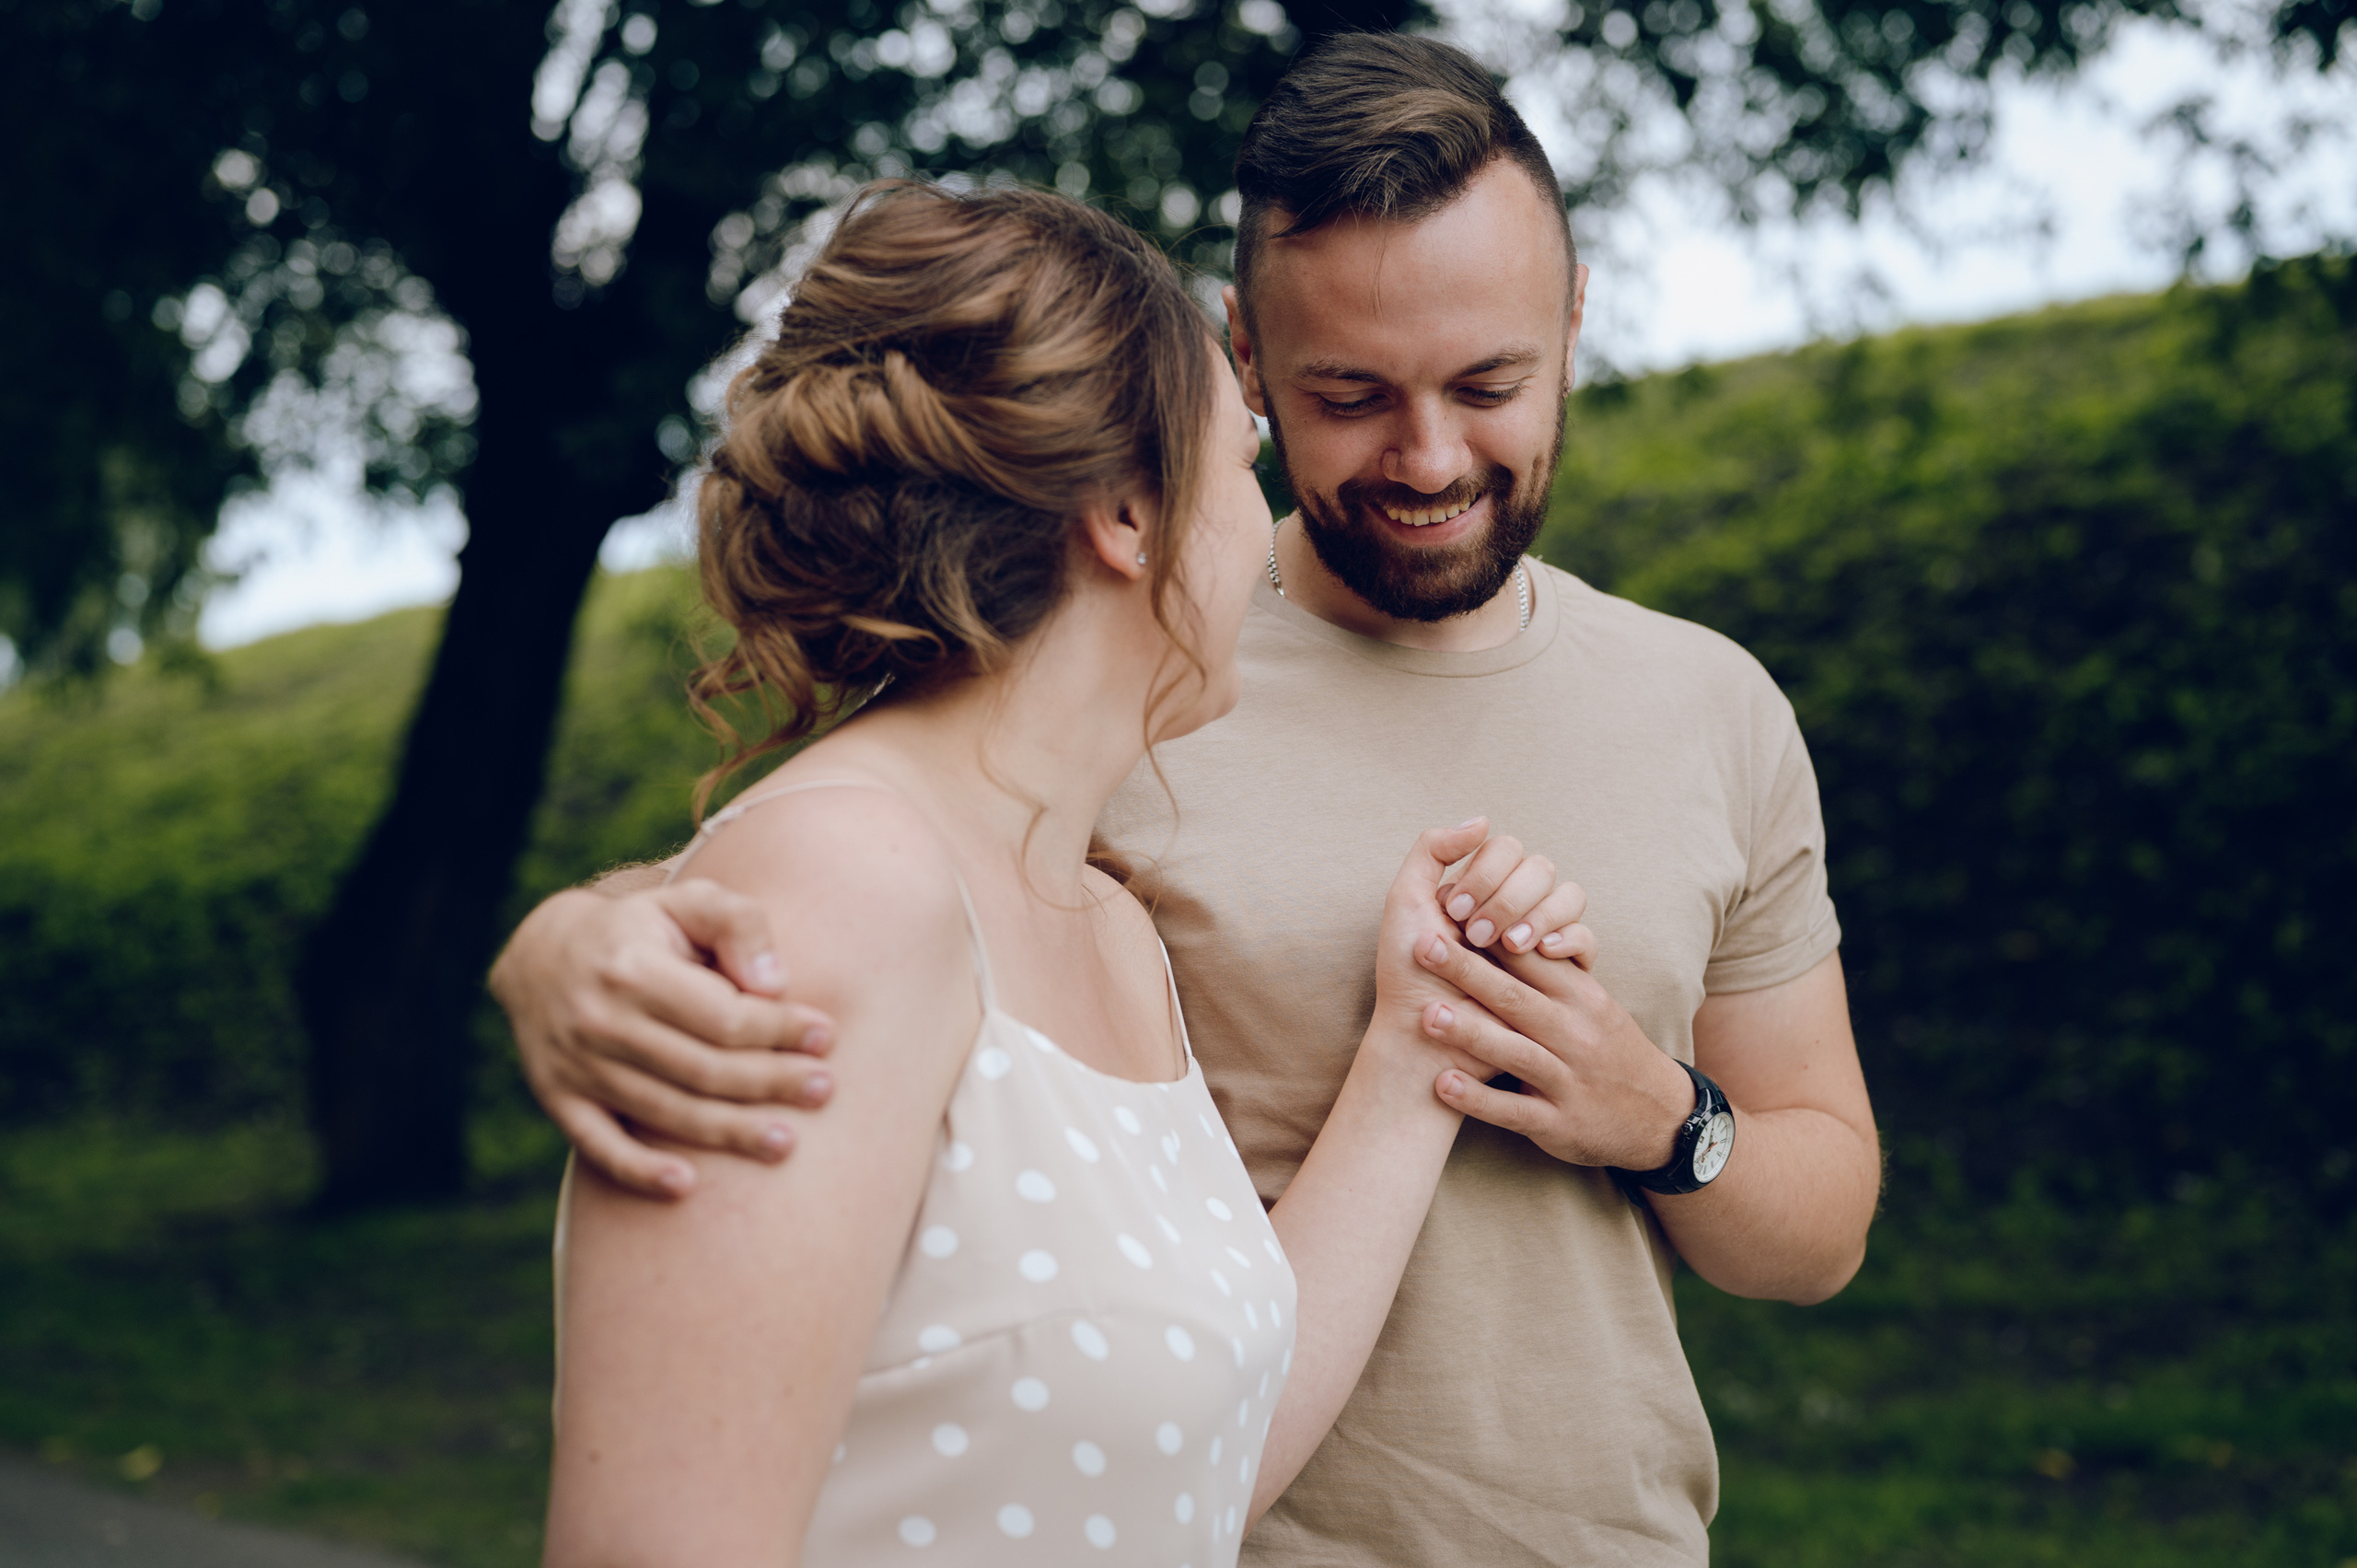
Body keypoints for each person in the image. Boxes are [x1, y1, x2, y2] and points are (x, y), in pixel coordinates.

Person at [499, 34, 1881, 1568]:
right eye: (1338, 401)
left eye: (1486, 383)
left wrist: (1632, 1107)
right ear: (1244, 365)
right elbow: (824, 876)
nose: (1425, 456)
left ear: (1572, 326)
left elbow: (1822, 1219)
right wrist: (562, 942)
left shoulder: (1706, 708)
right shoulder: (1071, 717)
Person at [538, 179, 1597, 1567]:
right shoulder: (838, 895)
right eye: (1238, 465)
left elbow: (1194, 1459)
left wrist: (1420, 1045)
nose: (1266, 526)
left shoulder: (1103, 924)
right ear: (1126, 513)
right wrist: (559, 933)